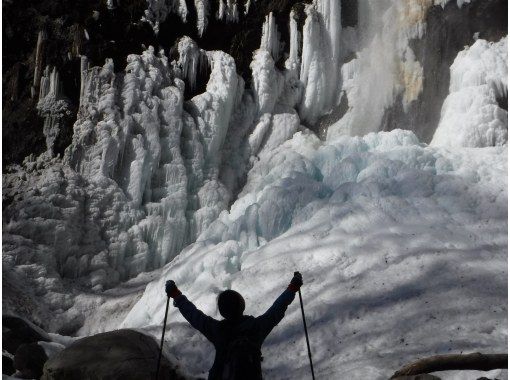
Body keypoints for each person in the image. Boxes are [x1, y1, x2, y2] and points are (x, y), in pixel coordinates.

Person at [165, 272, 303, 380]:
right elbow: (277, 309)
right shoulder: (256, 327)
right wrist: (292, 288)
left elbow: (194, 315)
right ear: (242, 306)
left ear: (222, 311)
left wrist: (176, 295)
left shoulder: (217, 330)